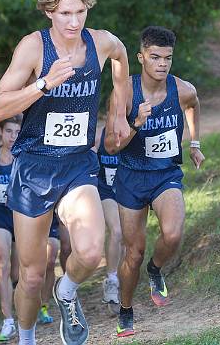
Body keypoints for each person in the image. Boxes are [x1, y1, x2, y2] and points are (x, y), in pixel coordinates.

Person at [0, 0, 131, 345]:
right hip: (34, 166)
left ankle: (66, 291)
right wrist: (43, 83)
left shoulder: (101, 43)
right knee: (33, 275)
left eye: (80, 12)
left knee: (89, 250)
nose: (74, 21)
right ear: (49, 11)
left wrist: (118, 111)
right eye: (65, 13)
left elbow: (121, 58)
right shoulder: (33, 48)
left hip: (78, 163)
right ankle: (27, 336)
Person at [105, 25, 205, 338]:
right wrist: (135, 124)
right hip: (131, 176)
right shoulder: (125, 93)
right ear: (141, 58)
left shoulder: (182, 89)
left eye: (167, 58)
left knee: (173, 234)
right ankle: (125, 309)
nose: (162, 64)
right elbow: (110, 146)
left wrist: (195, 143)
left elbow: (193, 105)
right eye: (155, 57)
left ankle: (156, 269)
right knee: (132, 253)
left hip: (165, 173)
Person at [0, 116, 62, 340]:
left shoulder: (27, 156)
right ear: (0, 132)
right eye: (9, 132)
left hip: (23, 219)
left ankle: (27, 314)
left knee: (21, 273)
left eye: (17, 132)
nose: (13, 137)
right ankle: (7, 320)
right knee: (2, 260)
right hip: (1, 219)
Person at [96, 127, 123, 314]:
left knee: (130, 241)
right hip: (105, 192)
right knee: (117, 231)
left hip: (128, 191)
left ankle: (121, 281)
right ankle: (112, 279)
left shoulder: (132, 131)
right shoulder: (99, 136)